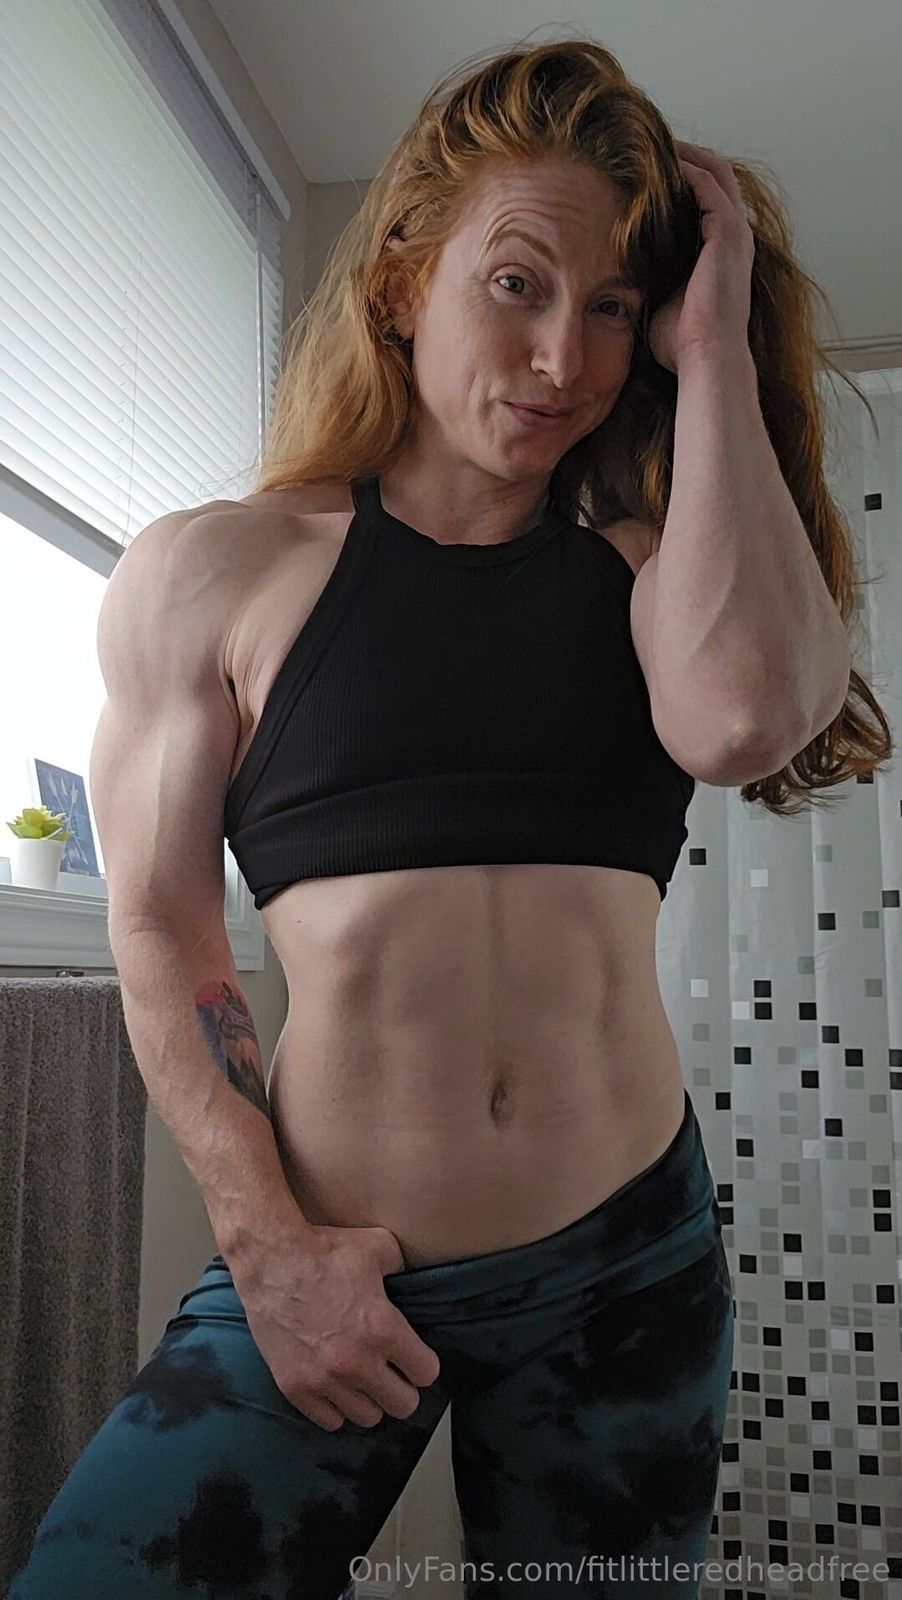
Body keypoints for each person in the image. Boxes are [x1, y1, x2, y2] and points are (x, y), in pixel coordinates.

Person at [11, 35, 876, 1600]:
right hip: (327, 1257)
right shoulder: (215, 573)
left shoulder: (646, 574)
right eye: (517, 286)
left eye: (610, 308)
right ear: (406, 280)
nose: (561, 360)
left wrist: (715, 340)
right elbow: (156, 917)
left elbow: (745, 721)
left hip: (628, 1267)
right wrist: (266, 1244)